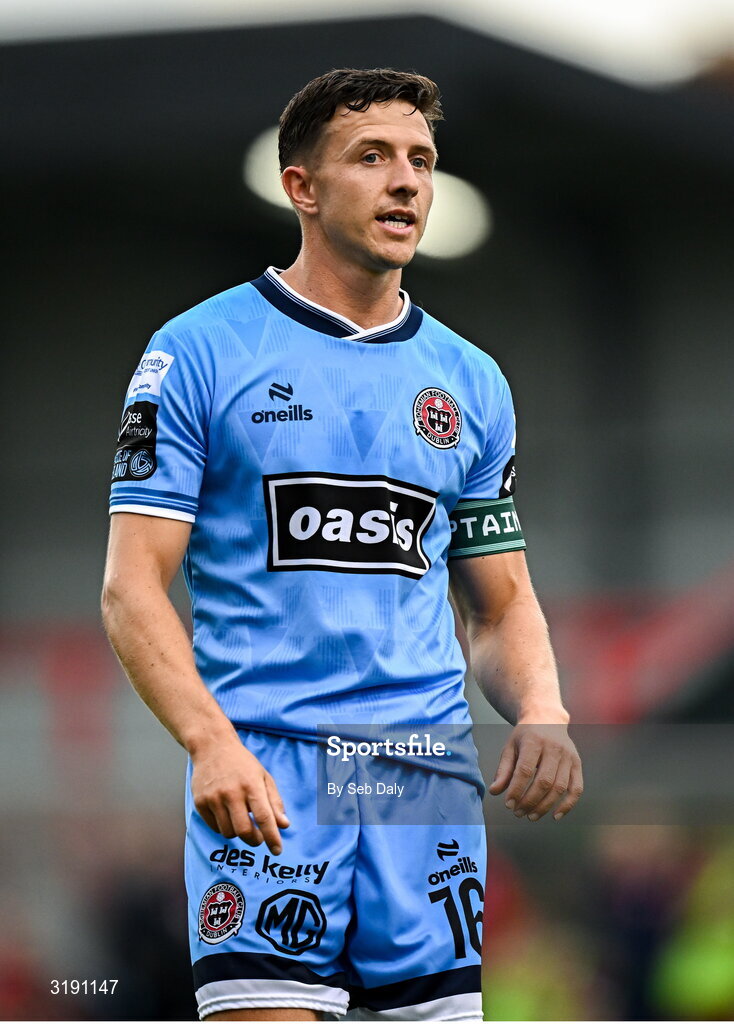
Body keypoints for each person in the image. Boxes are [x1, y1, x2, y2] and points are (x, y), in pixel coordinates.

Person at [102, 67, 583, 1022]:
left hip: (423, 773)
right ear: (302, 187)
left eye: (422, 161)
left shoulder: (470, 381)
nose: (406, 181)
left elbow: (500, 602)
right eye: (373, 158)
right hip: (272, 774)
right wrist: (208, 742)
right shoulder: (196, 354)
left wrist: (544, 709)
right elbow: (132, 590)